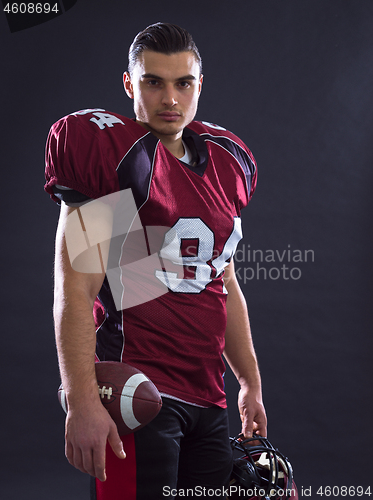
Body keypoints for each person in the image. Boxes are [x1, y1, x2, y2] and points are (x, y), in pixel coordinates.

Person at [44, 22, 267, 500]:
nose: (171, 97)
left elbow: (221, 283)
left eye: (183, 83)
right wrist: (81, 401)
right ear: (130, 84)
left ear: (199, 86)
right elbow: (75, 289)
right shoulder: (117, 158)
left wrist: (249, 381)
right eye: (154, 81)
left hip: (209, 400)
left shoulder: (225, 162)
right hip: (142, 395)